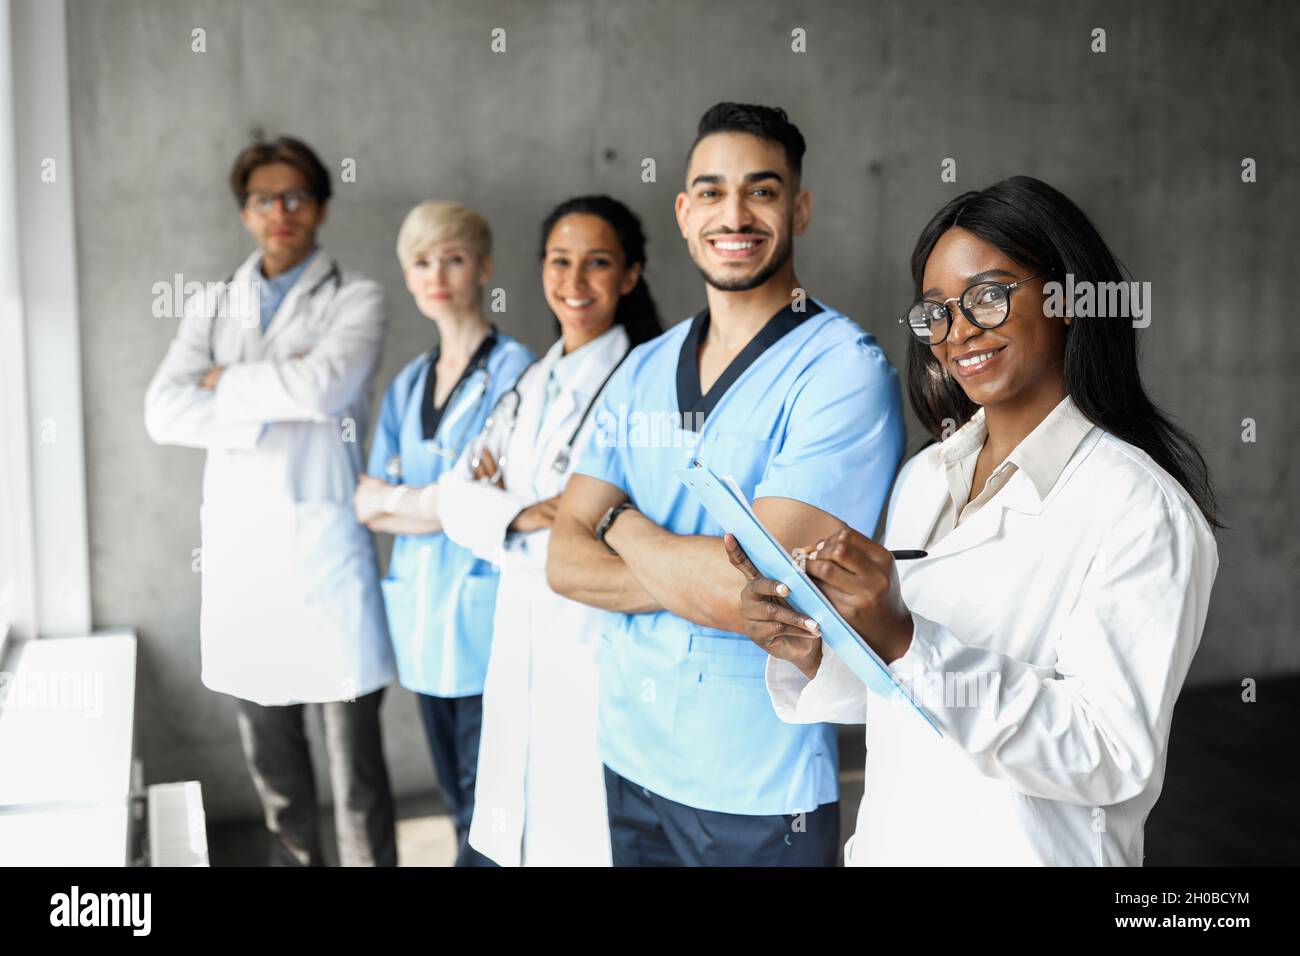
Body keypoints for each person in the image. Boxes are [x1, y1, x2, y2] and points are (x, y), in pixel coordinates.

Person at [729, 175, 1220, 866]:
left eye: (988, 296)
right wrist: (815, 645)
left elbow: (1109, 753)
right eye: (936, 312)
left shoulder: (1141, 509)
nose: (958, 332)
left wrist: (905, 639)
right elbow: (903, 697)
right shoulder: (925, 480)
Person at [547, 103, 906, 866]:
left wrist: (617, 521)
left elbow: (763, 589)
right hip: (628, 753)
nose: (733, 213)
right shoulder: (643, 366)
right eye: (711, 192)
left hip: (756, 781)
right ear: (683, 212)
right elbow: (560, 562)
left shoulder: (843, 370)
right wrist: (700, 571)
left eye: (763, 191)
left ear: (799, 207)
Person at [144, 135, 396, 866]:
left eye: (296, 197)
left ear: (319, 207)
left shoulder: (357, 297)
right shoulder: (215, 304)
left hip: (326, 564)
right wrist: (273, 388)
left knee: (358, 784)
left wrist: (224, 382)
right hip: (242, 567)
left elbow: (327, 388)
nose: (280, 212)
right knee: (278, 782)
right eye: (264, 200)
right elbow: (162, 411)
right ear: (245, 213)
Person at [437, 196, 662, 866]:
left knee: (582, 827)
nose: (575, 281)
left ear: (629, 275)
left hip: (592, 635)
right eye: (560, 261)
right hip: (521, 633)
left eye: (598, 263)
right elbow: (454, 497)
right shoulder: (529, 380)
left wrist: (510, 512)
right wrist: (525, 513)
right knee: (522, 823)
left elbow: (614, 526)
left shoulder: (642, 380)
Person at [353, 201, 533, 866]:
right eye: (422, 262)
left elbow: (496, 500)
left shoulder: (516, 371)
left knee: (491, 803)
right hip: (423, 622)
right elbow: (367, 504)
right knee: (455, 798)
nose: (438, 274)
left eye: (453, 259)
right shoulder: (407, 384)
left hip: (486, 619)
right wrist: (443, 500)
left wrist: (414, 500)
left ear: (483, 268)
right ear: (407, 276)